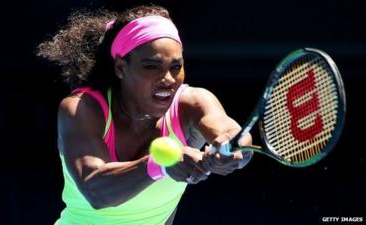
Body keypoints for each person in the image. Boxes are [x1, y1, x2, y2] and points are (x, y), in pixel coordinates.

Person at [37, 5, 252, 225]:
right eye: (152, 66)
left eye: (176, 66)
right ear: (121, 67)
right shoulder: (81, 108)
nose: (168, 78)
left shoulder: (193, 102)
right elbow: (96, 190)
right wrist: (159, 165)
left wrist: (232, 149)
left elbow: (231, 132)